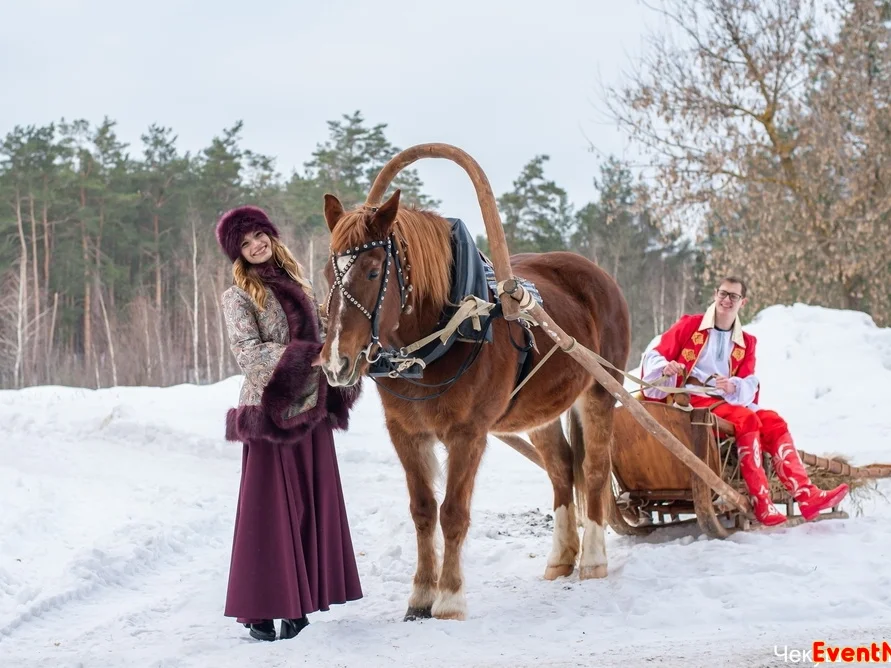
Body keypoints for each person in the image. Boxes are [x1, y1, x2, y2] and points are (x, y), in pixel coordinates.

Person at [216, 205, 363, 641]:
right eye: (245, 243)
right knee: (270, 513)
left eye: (259, 235)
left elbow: (327, 331)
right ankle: (264, 610)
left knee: (308, 506)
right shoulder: (238, 296)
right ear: (238, 253)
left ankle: (297, 603)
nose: (255, 245)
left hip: (312, 410)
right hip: (272, 415)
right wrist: (311, 355)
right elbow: (249, 354)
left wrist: (348, 344)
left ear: (271, 235)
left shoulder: (299, 283)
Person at [639, 276, 849, 527]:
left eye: (733, 296)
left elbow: (749, 382)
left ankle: (807, 495)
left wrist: (733, 385)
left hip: (726, 402)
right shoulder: (690, 325)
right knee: (747, 419)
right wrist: (667, 367)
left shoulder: (746, 342)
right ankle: (761, 500)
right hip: (692, 400)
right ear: (715, 294)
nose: (726, 300)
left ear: (743, 302)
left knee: (774, 421)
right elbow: (654, 355)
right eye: (723, 293)